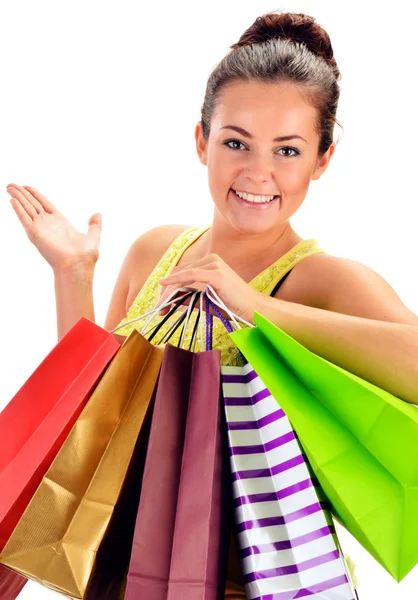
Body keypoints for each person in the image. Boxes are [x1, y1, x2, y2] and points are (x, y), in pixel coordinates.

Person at [7, 10, 418, 599]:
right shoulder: (156, 253)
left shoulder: (322, 281)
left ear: (323, 160)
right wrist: (73, 272)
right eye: (235, 141)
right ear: (202, 142)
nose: (258, 171)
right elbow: (93, 419)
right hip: (134, 572)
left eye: (288, 150)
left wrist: (251, 303)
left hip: (259, 580)